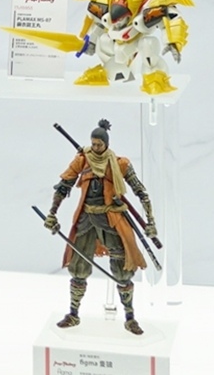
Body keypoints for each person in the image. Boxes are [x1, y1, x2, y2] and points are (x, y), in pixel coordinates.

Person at [42, 119, 156, 335]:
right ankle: (73, 314)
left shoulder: (120, 164)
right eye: (93, 144)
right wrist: (52, 213)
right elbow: (63, 186)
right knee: (78, 268)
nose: (95, 148)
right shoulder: (82, 160)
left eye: (99, 144)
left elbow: (141, 192)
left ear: (106, 144)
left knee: (122, 271)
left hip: (111, 220)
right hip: (86, 220)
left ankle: (130, 318)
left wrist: (151, 222)